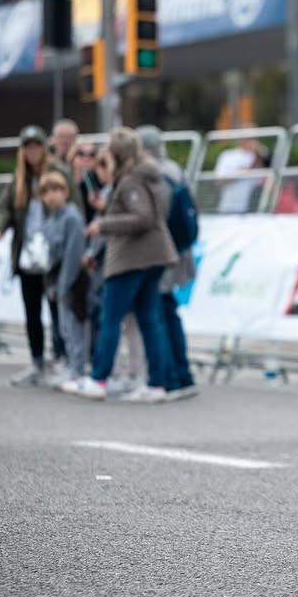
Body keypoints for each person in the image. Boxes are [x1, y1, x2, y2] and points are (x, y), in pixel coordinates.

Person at [61, 128, 178, 403]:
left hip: (132, 258)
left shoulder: (131, 180)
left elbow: (142, 216)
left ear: (118, 154)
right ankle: (157, 384)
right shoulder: (146, 177)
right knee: (150, 319)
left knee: (111, 317)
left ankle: (99, 379)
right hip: (154, 255)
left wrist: (103, 224)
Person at [0, 125, 75, 387]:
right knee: (32, 311)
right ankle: (37, 361)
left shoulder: (57, 174)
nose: (32, 152)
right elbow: (6, 206)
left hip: (53, 255)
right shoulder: (20, 179)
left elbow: (75, 206)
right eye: (27, 147)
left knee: (57, 309)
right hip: (28, 254)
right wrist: (0, 225)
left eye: (36, 146)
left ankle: (62, 359)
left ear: (44, 147)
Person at [139, 125, 198, 400]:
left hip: (162, 251)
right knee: (168, 311)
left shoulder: (155, 174)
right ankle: (182, 374)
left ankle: (173, 377)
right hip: (178, 249)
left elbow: (155, 215)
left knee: (160, 313)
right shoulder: (173, 169)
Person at [38, 171, 88, 388]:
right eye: (47, 191)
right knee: (63, 326)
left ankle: (78, 368)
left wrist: (65, 283)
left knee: (74, 325)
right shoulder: (51, 219)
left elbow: (72, 253)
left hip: (72, 280)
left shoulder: (72, 218)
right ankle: (70, 365)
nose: (52, 196)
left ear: (66, 193)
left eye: (57, 190)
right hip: (56, 279)